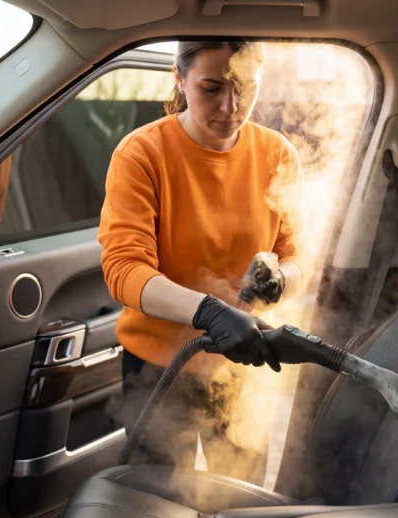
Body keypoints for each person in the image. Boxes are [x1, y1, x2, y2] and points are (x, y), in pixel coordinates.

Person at [99, 41, 305, 481]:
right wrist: (208, 311)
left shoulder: (277, 154)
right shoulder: (142, 154)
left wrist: (281, 278)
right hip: (158, 368)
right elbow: (124, 270)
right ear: (180, 78)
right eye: (211, 88)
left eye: (246, 87)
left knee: (235, 503)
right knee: (151, 509)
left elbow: (298, 255)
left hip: (243, 364)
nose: (231, 107)